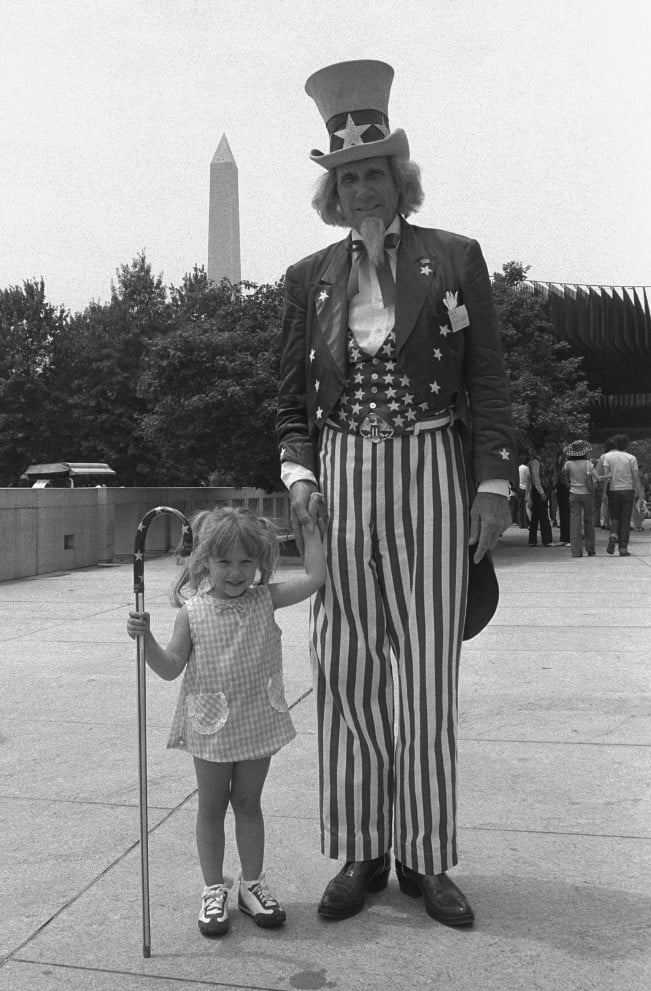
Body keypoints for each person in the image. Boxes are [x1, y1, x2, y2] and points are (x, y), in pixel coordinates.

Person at [276, 59, 516, 927]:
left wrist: (492, 481)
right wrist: (298, 471)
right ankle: (360, 849)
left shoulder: (453, 258)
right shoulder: (308, 278)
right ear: (331, 192)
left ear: (398, 178)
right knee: (343, 666)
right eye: (346, 177)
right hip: (343, 474)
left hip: (428, 469)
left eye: (374, 170)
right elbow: (287, 401)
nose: (361, 187)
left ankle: (426, 855)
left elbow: (487, 374)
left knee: (424, 671)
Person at [127, 506, 326, 937]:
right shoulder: (192, 612)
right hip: (211, 727)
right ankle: (213, 888)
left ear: (259, 564)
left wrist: (310, 530)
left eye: (245, 562)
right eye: (224, 562)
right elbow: (169, 668)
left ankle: (252, 884)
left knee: (249, 804)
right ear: (204, 562)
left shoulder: (264, 598)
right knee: (212, 807)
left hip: (256, 720)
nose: (236, 572)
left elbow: (314, 578)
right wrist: (146, 641)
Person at [601, 434, 646, 556]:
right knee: (625, 519)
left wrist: (604, 493)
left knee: (614, 516)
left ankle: (613, 534)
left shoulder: (607, 457)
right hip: (628, 491)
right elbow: (636, 479)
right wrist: (641, 496)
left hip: (613, 491)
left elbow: (606, 477)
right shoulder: (631, 458)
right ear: (626, 445)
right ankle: (623, 548)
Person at [562, 440, 597, 557]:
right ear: (584, 451)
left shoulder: (568, 464)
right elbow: (594, 477)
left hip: (573, 494)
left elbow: (564, 479)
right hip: (587, 494)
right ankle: (590, 549)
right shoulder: (588, 463)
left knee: (575, 523)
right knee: (589, 521)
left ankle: (576, 551)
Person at [527, 448, 554, 547]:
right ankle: (547, 540)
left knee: (536, 516)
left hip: (538, 489)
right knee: (543, 515)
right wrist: (541, 492)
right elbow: (535, 477)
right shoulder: (535, 462)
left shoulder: (536, 461)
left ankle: (533, 540)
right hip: (539, 489)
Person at [517, 458, 531, 528]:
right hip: (525, 488)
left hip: (519, 487)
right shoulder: (527, 468)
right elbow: (529, 478)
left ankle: (520, 523)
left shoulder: (518, 468)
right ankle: (526, 523)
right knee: (526, 507)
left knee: (520, 506)